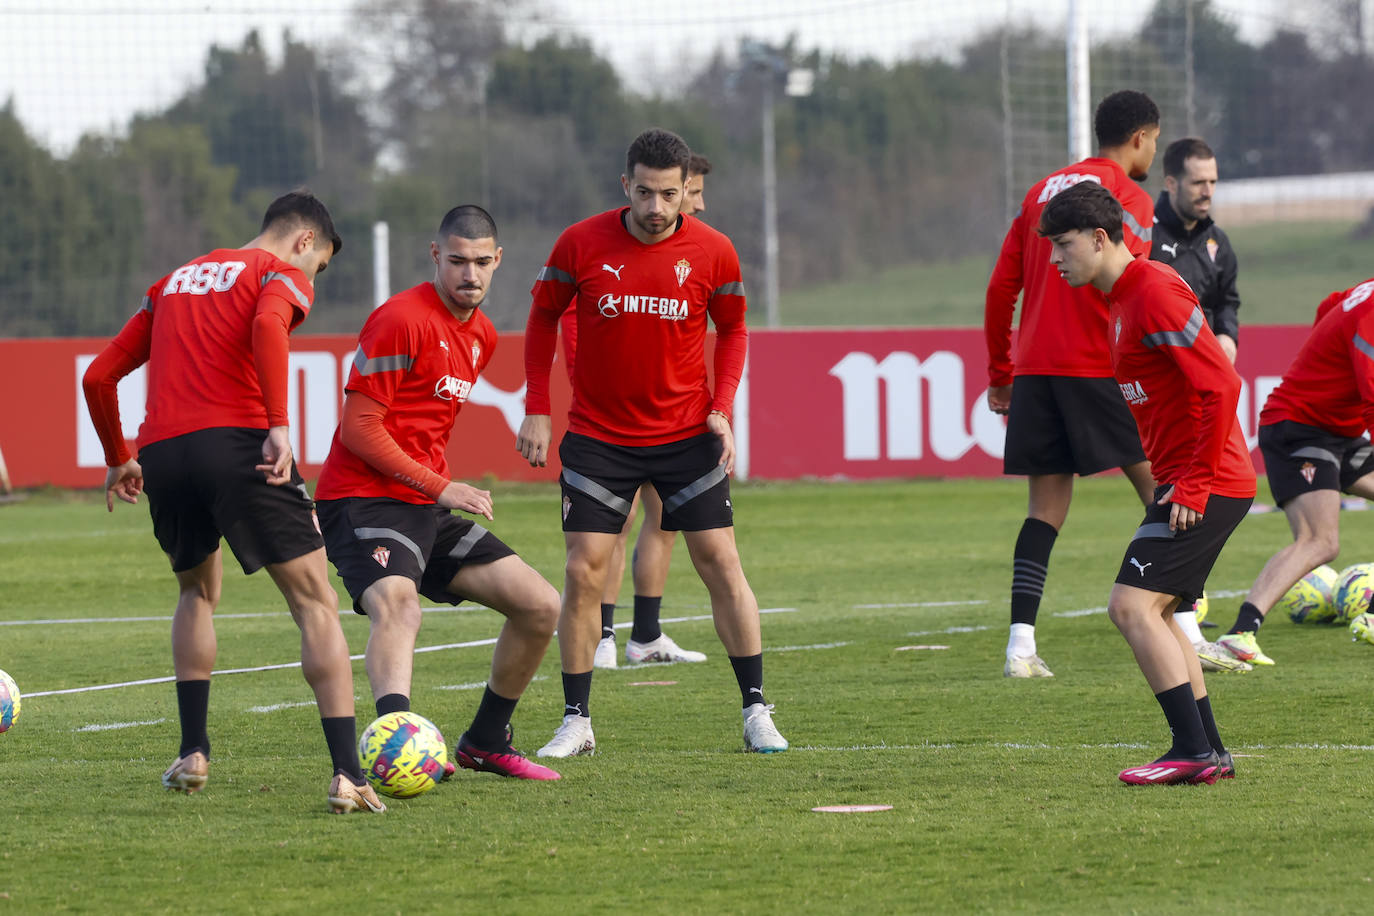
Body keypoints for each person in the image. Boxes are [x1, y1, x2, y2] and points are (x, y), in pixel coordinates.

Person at [81, 191, 385, 814]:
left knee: (197, 593)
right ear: (304, 241)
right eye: (318, 265)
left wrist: (119, 456)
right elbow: (269, 324)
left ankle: (193, 753)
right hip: (241, 444)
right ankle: (348, 775)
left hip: (164, 452)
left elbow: (98, 376)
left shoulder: (171, 283)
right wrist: (278, 422)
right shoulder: (274, 274)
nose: (311, 278)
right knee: (316, 602)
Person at [518, 128, 788, 757]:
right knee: (583, 570)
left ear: (683, 190)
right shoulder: (579, 243)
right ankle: (577, 720)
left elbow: (735, 330)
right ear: (625, 185)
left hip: (687, 436)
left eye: (670, 195)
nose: (657, 208)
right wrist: (536, 408)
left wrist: (721, 408)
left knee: (721, 563)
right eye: (645, 193)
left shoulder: (716, 251)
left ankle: (756, 710)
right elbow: (541, 318)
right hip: (597, 438)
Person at [313, 205, 562, 781]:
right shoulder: (400, 320)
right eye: (456, 261)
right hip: (361, 500)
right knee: (399, 605)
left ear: (497, 261)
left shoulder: (483, 335)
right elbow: (359, 428)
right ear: (435, 257)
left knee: (540, 605)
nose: (468, 274)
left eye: (480, 262)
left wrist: (434, 489)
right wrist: (441, 485)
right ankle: (399, 744)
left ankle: (484, 741)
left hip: (424, 502)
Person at [1039, 180, 1255, 784]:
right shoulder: (1121, 299)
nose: (1054, 259)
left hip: (1205, 483)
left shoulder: (1152, 292)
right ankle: (1209, 751)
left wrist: (1191, 485)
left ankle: (1190, 750)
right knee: (1158, 614)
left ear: (1100, 238)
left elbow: (1222, 385)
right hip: (1188, 480)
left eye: (1063, 245)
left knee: (1130, 608)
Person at [988, 91, 1191, 677]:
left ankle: (1020, 646)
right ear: (1140, 138)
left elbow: (1001, 288)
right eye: (1154, 140)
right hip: (1101, 368)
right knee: (1166, 492)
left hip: (1035, 369)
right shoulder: (1125, 198)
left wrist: (1002, 373)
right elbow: (1139, 284)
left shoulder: (1039, 193)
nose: (1152, 149)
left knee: (1044, 510)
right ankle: (1188, 628)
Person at [589, 151, 714, 670]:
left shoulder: (701, 252)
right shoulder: (602, 247)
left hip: (672, 419)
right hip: (614, 420)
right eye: (696, 192)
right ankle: (601, 634)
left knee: (664, 520)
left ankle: (645, 633)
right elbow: (577, 318)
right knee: (616, 525)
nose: (700, 204)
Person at [1212, 277, 1374, 664]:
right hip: (1298, 427)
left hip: (1338, 429)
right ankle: (1240, 634)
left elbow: (1329, 306)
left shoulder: (1367, 290)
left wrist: (1324, 368)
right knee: (1320, 541)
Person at [1150, 137, 1240, 363]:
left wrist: (1226, 335)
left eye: (1212, 182)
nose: (1208, 192)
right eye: (1198, 183)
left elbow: (1226, 301)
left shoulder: (1218, 241)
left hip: (1206, 367)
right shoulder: (1144, 236)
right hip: (1157, 368)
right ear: (1171, 184)